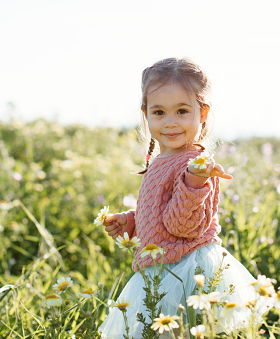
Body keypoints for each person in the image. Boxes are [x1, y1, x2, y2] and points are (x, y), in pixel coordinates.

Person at [99, 58, 260, 338]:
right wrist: (131, 223)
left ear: (203, 113)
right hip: (162, 268)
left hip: (186, 270)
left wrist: (194, 182)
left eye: (182, 111)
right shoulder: (162, 160)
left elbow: (183, 227)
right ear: (146, 113)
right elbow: (161, 214)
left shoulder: (196, 166)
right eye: (159, 112)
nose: (170, 123)